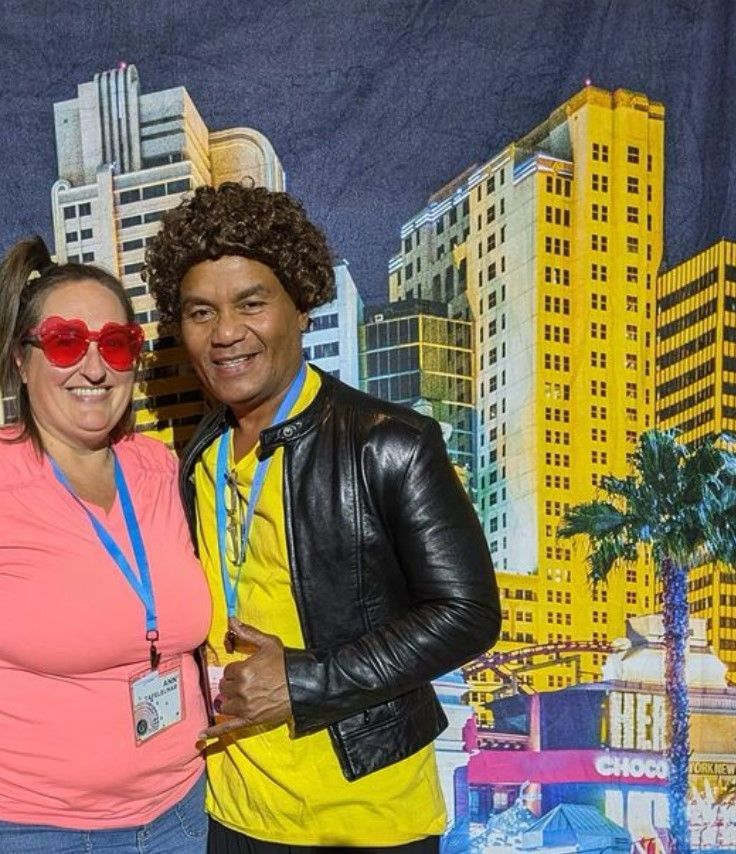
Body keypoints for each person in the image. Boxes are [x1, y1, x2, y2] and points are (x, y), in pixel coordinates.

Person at [143, 183, 501, 854]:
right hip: (230, 817)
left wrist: (306, 682)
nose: (225, 333)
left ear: (300, 307)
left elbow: (470, 612)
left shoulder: (387, 442)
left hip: (366, 821)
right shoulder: (200, 455)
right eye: (201, 312)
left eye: (252, 303)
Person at [0, 236, 211, 854]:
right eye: (64, 341)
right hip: (35, 832)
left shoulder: (161, 470)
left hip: (185, 812)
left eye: (115, 344)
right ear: (22, 359)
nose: (93, 366)